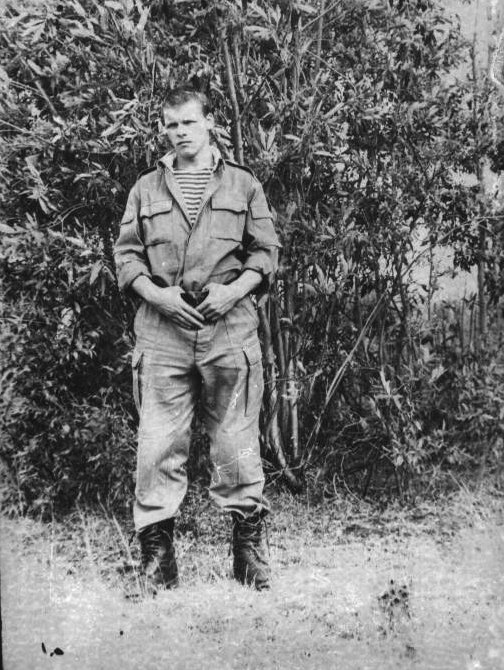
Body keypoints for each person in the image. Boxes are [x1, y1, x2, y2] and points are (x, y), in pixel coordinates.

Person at [114, 87, 280, 592]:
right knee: (158, 443)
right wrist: (157, 297)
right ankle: (157, 560)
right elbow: (127, 257)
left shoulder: (243, 184)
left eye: (189, 122)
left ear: (210, 123)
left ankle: (247, 555)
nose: (180, 132)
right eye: (171, 124)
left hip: (228, 329)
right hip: (162, 331)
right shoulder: (145, 188)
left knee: (236, 440)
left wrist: (233, 291)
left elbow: (265, 253)